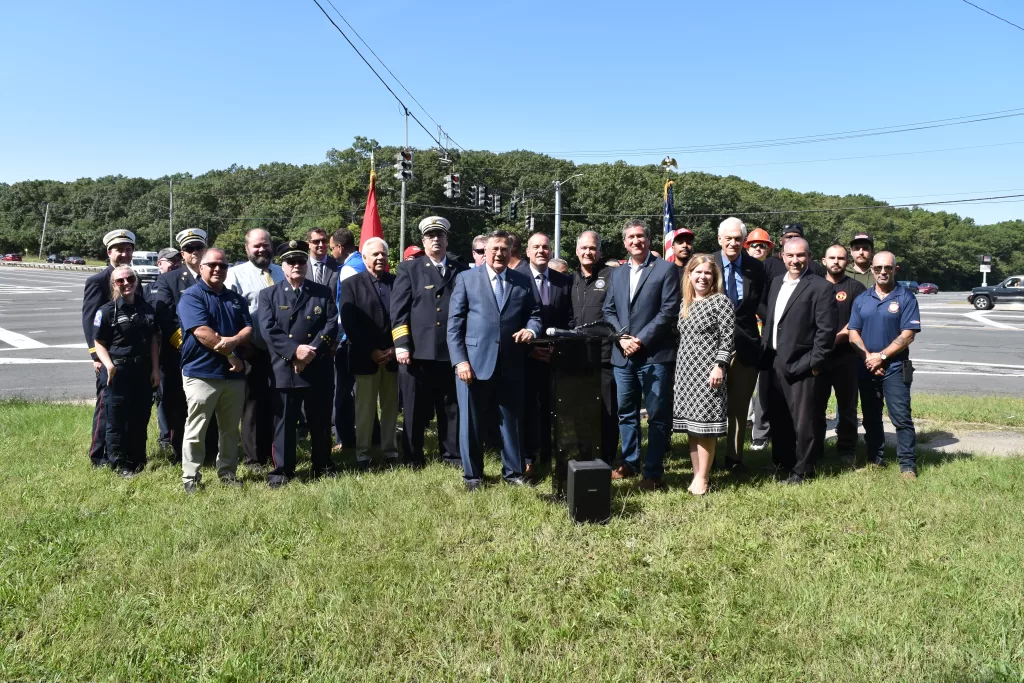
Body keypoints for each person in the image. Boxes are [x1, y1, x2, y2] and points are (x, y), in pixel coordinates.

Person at [447, 230, 542, 490]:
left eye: (504, 249)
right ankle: (473, 476)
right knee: (471, 422)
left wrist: (531, 330)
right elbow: (454, 325)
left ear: (511, 252)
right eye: (494, 249)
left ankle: (513, 473)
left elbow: (535, 314)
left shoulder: (522, 280)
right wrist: (460, 361)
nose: (499, 253)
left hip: (511, 362)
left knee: (511, 421)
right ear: (485, 252)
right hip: (473, 364)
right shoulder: (466, 279)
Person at [601, 219, 681, 490]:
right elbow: (608, 310)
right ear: (625, 242)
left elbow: (668, 310)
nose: (636, 241)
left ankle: (653, 472)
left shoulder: (666, 269)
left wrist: (641, 339)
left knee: (657, 415)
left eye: (640, 237)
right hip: (622, 355)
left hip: (654, 356)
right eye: (631, 237)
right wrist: (621, 338)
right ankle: (630, 462)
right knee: (626, 412)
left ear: (648, 240)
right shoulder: (618, 274)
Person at [259, 240, 339, 486]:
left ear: (307, 264)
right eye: (291, 262)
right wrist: (294, 353)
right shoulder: (268, 295)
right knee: (284, 423)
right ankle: (283, 471)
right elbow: (268, 330)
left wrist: (309, 353)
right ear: (281, 266)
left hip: (317, 367)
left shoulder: (322, 292)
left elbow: (331, 324)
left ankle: (322, 465)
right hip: (285, 369)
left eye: (301, 261)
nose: (296, 266)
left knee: (321, 420)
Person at [759, 237, 838, 484]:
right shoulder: (775, 284)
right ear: (782, 256)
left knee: (804, 422)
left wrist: (812, 363)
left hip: (801, 365)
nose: (795, 260)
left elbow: (826, 333)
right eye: (790, 255)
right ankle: (782, 463)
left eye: (801, 255)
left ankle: (803, 470)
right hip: (773, 363)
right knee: (778, 417)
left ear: (809, 256)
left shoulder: (820, 287)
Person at [391, 217, 468, 468]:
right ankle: (413, 456)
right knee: (414, 408)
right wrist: (401, 344)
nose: (436, 239)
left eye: (440, 235)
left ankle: (452, 454)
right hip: (417, 351)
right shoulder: (409, 269)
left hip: (450, 350)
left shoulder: (461, 269)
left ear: (447, 239)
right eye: (431, 235)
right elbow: (398, 309)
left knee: (450, 406)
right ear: (423, 241)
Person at [176, 247, 253, 493]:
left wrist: (235, 341)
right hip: (202, 373)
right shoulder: (192, 296)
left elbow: (248, 328)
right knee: (197, 428)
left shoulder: (235, 298)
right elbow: (201, 332)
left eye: (223, 265)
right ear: (201, 267)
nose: (218, 269)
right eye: (212, 265)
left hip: (233, 375)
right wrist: (230, 352)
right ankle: (191, 477)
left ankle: (228, 473)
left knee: (230, 430)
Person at [848, 251, 921, 479]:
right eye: (878, 268)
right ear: (871, 269)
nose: (882, 272)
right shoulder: (862, 299)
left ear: (895, 269)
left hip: (896, 368)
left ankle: (907, 465)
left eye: (887, 268)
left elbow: (908, 335)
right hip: (867, 366)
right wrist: (869, 358)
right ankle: (875, 459)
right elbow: (853, 333)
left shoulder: (906, 297)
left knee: (901, 417)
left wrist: (881, 356)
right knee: (870, 416)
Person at [152, 229, 218, 464]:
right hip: (179, 354)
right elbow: (165, 317)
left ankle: (211, 451)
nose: (195, 253)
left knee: (208, 403)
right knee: (178, 405)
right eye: (190, 249)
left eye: (199, 247)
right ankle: (180, 453)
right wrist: (192, 342)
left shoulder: (216, 274)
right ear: (182, 253)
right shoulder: (169, 279)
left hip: (211, 353)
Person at [672, 255, 734, 496]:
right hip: (686, 372)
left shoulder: (720, 302)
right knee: (692, 426)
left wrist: (720, 365)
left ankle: (703, 477)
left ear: (714, 277)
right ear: (689, 275)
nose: (703, 277)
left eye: (708, 273)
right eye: (698, 272)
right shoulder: (685, 304)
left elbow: (727, 338)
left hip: (709, 372)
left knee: (705, 426)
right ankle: (697, 474)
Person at [224, 228, 284, 472]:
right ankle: (254, 460)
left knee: (277, 403)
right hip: (251, 350)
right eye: (256, 246)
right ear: (246, 248)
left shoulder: (281, 271)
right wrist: (242, 346)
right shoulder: (235, 275)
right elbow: (230, 312)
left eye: (265, 245)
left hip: (280, 352)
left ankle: (274, 453)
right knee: (253, 406)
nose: (262, 249)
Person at [91, 265, 160, 478]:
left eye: (130, 278)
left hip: (142, 370)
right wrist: (109, 365)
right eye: (120, 280)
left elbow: (154, 341)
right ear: (114, 284)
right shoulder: (106, 311)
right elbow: (99, 342)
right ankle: (118, 463)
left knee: (140, 417)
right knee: (116, 419)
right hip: (117, 371)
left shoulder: (147, 308)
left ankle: (137, 461)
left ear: (136, 280)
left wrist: (156, 369)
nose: (126, 283)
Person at [515, 232, 574, 478]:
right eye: (536, 247)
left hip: (555, 357)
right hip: (525, 357)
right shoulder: (516, 278)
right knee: (527, 409)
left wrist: (557, 350)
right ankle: (528, 457)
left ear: (551, 251)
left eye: (545, 247)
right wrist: (530, 349)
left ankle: (552, 455)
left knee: (553, 409)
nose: (541, 251)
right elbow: (511, 319)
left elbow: (569, 320)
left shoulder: (564, 281)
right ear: (527, 252)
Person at [340, 237, 400, 469]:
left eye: (383, 254)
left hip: (393, 356)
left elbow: (403, 316)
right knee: (364, 409)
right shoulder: (351, 284)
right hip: (365, 357)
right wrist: (372, 350)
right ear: (363, 258)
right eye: (374, 254)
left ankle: (390, 451)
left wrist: (396, 347)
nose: (379, 258)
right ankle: (363, 454)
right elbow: (349, 322)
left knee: (390, 408)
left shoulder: (396, 282)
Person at [713, 217, 766, 472]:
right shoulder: (706, 264)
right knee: (710, 404)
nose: (733, 243)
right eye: (728, 238)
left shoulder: (756, 268)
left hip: (745, 345)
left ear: (744, 241)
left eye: (738, 238)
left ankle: (734, 458)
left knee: (738, 407)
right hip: (710, 347)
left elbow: (762, 305)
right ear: (719, 239)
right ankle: (707, 458)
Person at [81, 229, 136, 467]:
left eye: (127, 249)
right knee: (105, 406)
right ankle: (99, 454)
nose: (123, 254)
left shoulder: (133, 278)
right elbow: (88, 319)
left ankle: (121, 450)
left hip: (130, 356)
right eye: (118, 250)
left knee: (126, 407)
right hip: (108, 356)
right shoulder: (97, 281)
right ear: (109, 252)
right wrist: (96, 356)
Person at [570, 231, 619, 463]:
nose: (588, 252)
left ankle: (607, 458)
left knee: (607, 412)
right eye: (584, 248)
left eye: (592, 248)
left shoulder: (612, 277)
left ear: (600, 252)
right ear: (577, 251)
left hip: (606, 356)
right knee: (581, 410)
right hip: (578, 357)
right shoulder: (571, 279)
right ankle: (584, 455)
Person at [821, 245, 867, 465]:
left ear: (847, 262)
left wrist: (833, 339)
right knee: (815, 406)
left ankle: (847, 450)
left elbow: (856, 321)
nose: (836, 262)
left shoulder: (856, 287)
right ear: (824, 260)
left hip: (846, 358)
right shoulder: (812, 284)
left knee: (847, 406)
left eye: (840, 258)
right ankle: (814, 448)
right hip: (819, 358)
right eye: (832, 258)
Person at [331, 227, 364, 450]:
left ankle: (344, 439)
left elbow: (346, 309)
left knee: (341, 393)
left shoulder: (348, 270)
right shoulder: (364, 262)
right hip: (366, 338)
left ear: (340, 247)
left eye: (332, 248)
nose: (332, 252)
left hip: (349, 340)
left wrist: (338, 339)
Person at [743, 227, 774, 450]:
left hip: (766, 336)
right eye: (754, 245)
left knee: (764, 388)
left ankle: (760, 434)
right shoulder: (740, 269)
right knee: (742, 386)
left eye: (762, 246)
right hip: (744, 336)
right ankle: (740, 425)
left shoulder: (773, 272)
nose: (758, 249)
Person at [152, 246, 182, 450]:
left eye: (177, 260)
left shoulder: (184, 284)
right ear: (159, 264)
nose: (174, 264)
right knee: (163, 396)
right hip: (159, 351)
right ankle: (165, 437)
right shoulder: (147, 289)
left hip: (178, 348)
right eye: (169, 260)